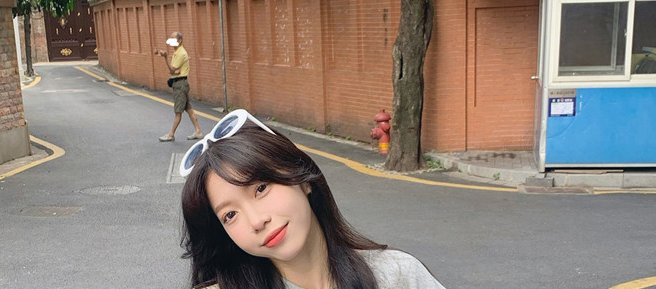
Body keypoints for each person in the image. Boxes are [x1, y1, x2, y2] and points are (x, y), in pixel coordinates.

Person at [180, 109, 446, 289]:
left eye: (261, 188)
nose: (257, 221)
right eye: (230, 215)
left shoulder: (397, 275)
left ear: (303, 179)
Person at [155, 31, 203, 142]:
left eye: (174, 39)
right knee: (189, 109)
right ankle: (198, 131)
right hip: (181, 83)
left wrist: (165, 58)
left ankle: (171, 134)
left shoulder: (181, 53)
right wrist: (173, 71)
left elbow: (172, 69)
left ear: (180, 40)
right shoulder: (177, 52)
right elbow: (174, 71)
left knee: (178, 112)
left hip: (180, 85)